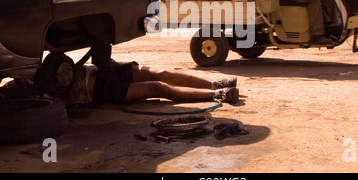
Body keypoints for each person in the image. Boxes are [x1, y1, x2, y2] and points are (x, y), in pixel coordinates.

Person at [60, 59, 239, 109]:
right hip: (104, 90)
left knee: (160, 73)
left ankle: (214, 84)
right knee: (158, 87)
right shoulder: (46, 94)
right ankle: (220, 94)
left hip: (103, 69)